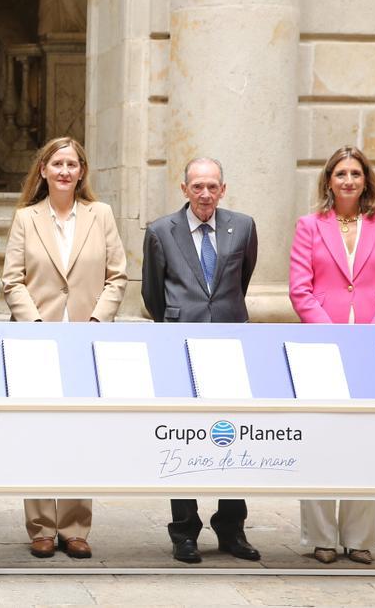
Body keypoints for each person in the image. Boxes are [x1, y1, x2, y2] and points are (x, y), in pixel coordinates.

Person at [1, 137, 127, 559]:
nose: (64, 171)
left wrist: (96, 322)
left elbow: (117, 276)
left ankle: (74, 526)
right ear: (43, 170)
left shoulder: (100, 214)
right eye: (57, 163)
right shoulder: (26, 218)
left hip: (85, 340)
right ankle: (41, 526)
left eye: (72, 164)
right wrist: (36, 325)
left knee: (80, 430)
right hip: (37, 339)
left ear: (82, 171)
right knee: (37, 430)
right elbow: (12, 280)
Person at [141, 157, 260, 564]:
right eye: (197, 187)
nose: (205, 194)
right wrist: (178, 321)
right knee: (184, 434)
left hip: (231, 344)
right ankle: (184, 531)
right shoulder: (161, 231)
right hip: (181, 345)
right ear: (184, 189)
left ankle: (231, 527)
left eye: (212, 186)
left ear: (223, 189)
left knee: (234, 433)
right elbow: (153, 295)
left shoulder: (243, 226)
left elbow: (241, 280)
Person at [289, 146, 375, 565]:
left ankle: (358, 538)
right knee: (320, 437)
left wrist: (369, 337)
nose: (349, 180)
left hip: (370, 347)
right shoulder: (309, 226)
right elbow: (300, 288)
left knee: (365, 440)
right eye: (341, 173)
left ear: (366, 180)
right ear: (329, 180)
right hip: (322, 347)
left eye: (356, 173)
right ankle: (321, 537)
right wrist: (332, 336)